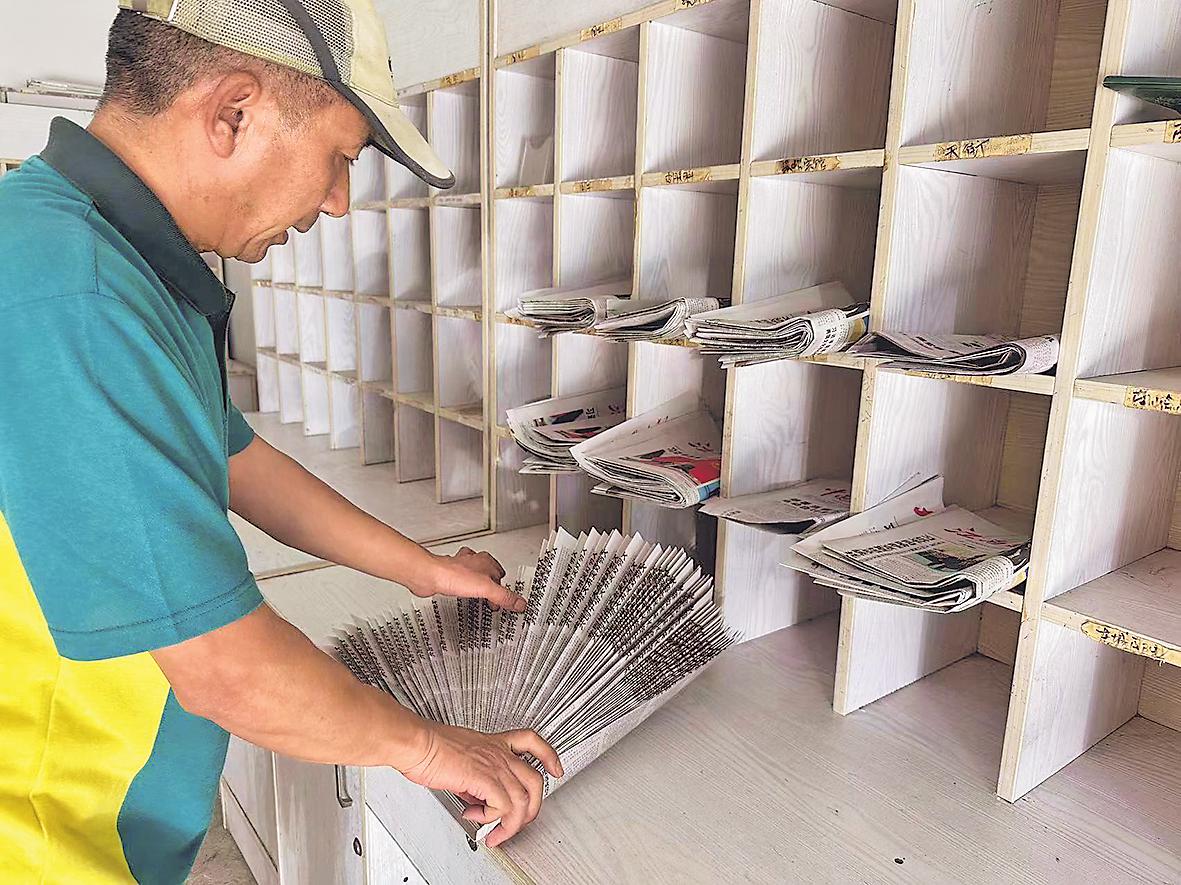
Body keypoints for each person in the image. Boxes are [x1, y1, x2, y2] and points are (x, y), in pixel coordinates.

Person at [0, 1, 560, 881]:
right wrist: (430, 747)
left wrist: (420, 568)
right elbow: (223, 668)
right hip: (36, 835)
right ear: (232, 111)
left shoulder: (103, 254)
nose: (337, 201)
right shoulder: (75, 292)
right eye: (340, 156)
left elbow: (235, 460)